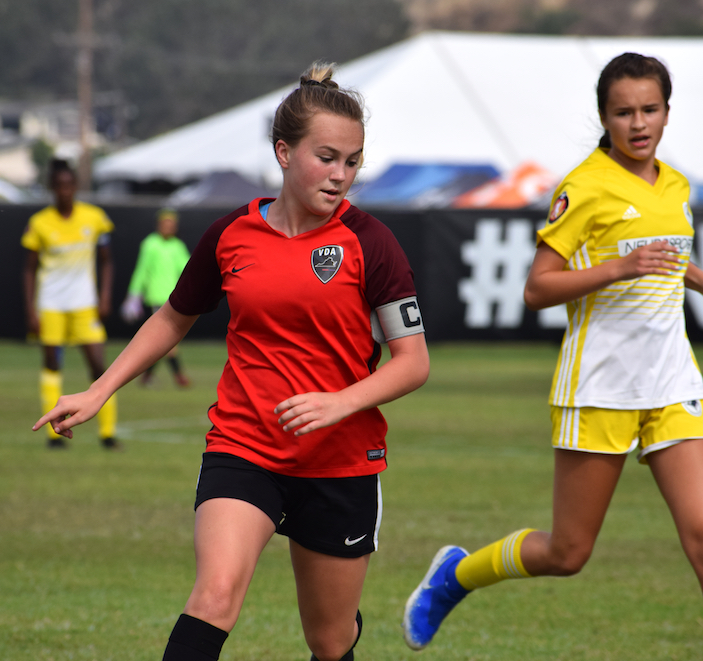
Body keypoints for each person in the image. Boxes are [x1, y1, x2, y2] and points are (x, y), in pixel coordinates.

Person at [33, 62, 430, 661]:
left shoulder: (371, 243)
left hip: (341, 461)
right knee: (214, 596)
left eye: (352, 161)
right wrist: (99, 390)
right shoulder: (231, 235)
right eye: (326, 157)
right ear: (284, 152)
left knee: (329, 640)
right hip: (245, 447)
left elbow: (413, 361)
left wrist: (339, 402)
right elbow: (172, 318)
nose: (341, 175)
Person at [402, 53, 703, 661]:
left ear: (668, 113)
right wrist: (618, 267)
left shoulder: (675, 185)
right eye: (624, 112)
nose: (638, 122)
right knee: (567, 553)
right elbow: (537, 288)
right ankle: (457, 576)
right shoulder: (583, 186)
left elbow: (662, 252)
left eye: (650, 109)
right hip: (599, 387)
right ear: (605, 116)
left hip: (672, 383)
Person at [22, 158, 120, 451]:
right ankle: (55, 436)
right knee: (52, 364)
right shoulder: (39, 223)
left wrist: (104, 297)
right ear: (52, 188)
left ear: (75, 186)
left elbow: (107, 261)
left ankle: (108, 434)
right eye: (59, 185)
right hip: (51, 304)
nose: (65, 191)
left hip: (84, 305)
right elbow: (28, 269)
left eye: (69, 185)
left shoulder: (94, 217)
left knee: (99, 368)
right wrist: (30, 309)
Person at [121, 207, 192, 388]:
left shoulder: (178, 246)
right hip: (157, 298)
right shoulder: (150, 244)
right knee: (168, 340)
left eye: (172, 224)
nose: (169, 227)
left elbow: (188, 269)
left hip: (177, 299)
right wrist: (133, 295)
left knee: (164, 341)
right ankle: (179, 377)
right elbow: (141, 271)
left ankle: (147, 376)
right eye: (165, 223)